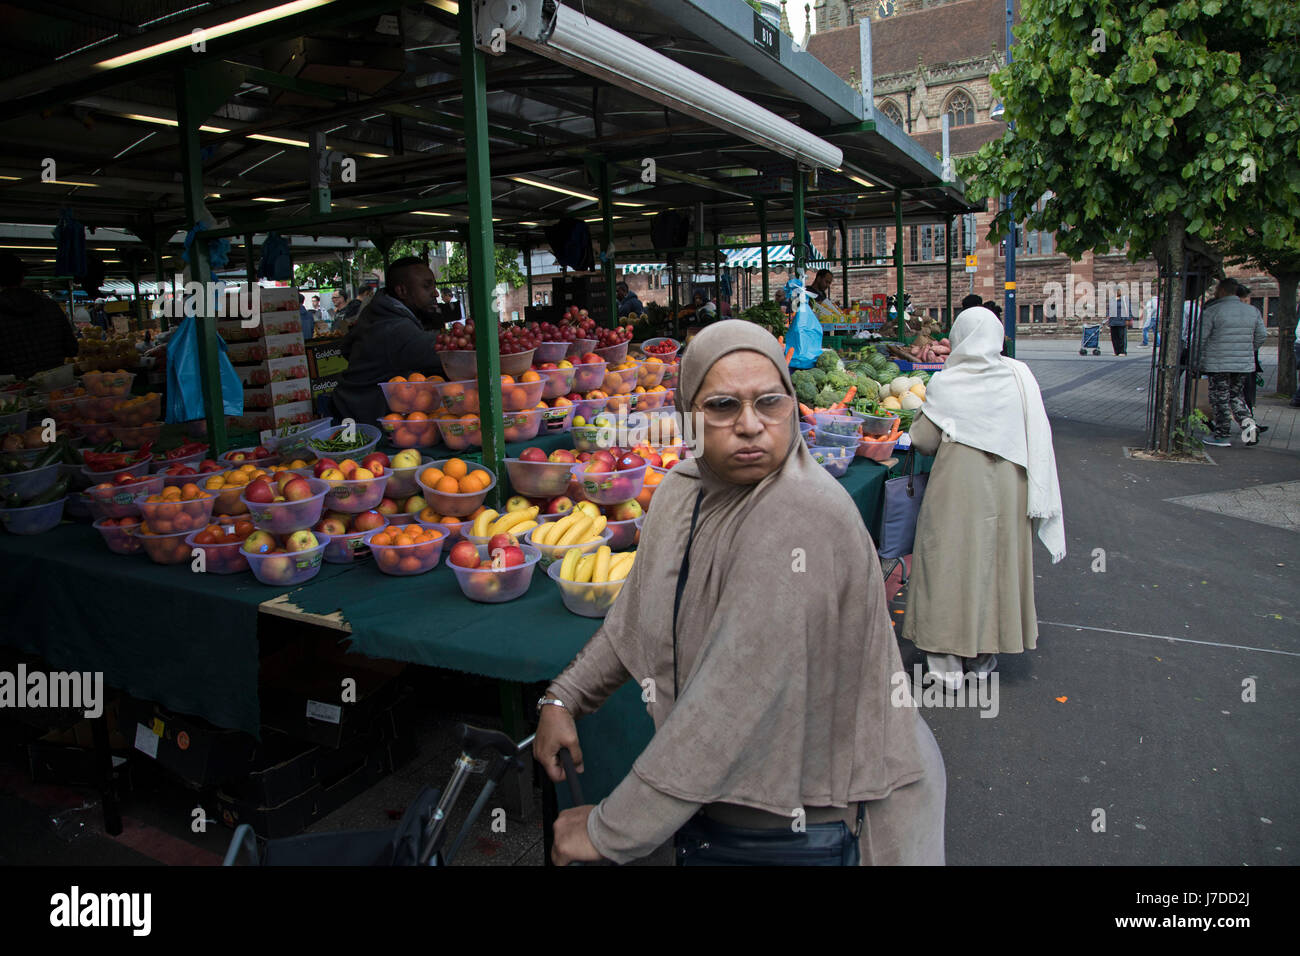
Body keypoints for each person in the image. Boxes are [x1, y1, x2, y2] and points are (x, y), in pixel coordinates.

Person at [534, 319, 945, 866]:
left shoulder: (804, 515)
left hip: (817, 817)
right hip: (728, 804)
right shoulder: (684, 490)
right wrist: (566, 696)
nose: (750, 425)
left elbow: (728, 705)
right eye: (723, 406)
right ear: (687, 418)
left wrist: (610, 831)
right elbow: (639, 613)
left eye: (769, 403)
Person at [902, 307, 1066, 690]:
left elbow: (923, 441)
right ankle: (983, 656)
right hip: (1011, 487)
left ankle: (946, 666)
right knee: (996, 564)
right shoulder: (1019, 377)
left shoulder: (949, 382)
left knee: (948, 564)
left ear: (960, 337)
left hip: (957, 489)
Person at [330, 257, 442, 427]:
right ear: (402, 291)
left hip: (357, 409)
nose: (435, 293)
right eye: (427, 286)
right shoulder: (394, 327)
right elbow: (441, 353)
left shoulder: (378, 310)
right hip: (363, 420)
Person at [1198, 277, 1266, 446]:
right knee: (1235, 396)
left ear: (1221, 291)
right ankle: (1249, 426)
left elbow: (1200, 338)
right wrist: (1248, 350)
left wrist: (1198, 359)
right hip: (1243, 364)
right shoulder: (1252, 311)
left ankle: (1222, 434)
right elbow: (1261, 336)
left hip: (1218, 362)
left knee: (1219, 398)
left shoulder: (1213, 311)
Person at [0, 253, 80, 378]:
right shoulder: (50, 306)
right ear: (23, 277)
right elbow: (72, 349)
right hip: (55, 384)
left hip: (13, 391)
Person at [1236, 283, 1265, 414]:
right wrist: (1252, 348)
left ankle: (1218, 425)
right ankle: (1249, 420)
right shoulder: (1252, 312)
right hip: (1245, 359)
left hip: (1222, 360)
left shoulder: (1216, 310)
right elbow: (1261, 335)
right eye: (1245, 299)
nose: (1246, 302)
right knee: (1245, 390)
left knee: (1223, 393)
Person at [1106, 286, 1129, 355]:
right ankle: (1116, 351)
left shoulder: (1124, 300)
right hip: (1113, 321)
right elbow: (1108, 309)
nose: (1117, 292)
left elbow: (1128, 310)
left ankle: (1122, 351)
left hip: (1121, 320)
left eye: (1119, 290)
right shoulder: (1112, 299)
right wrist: (1108, 316)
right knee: (1114, 337)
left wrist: (1127, 319)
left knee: (1121, 337)